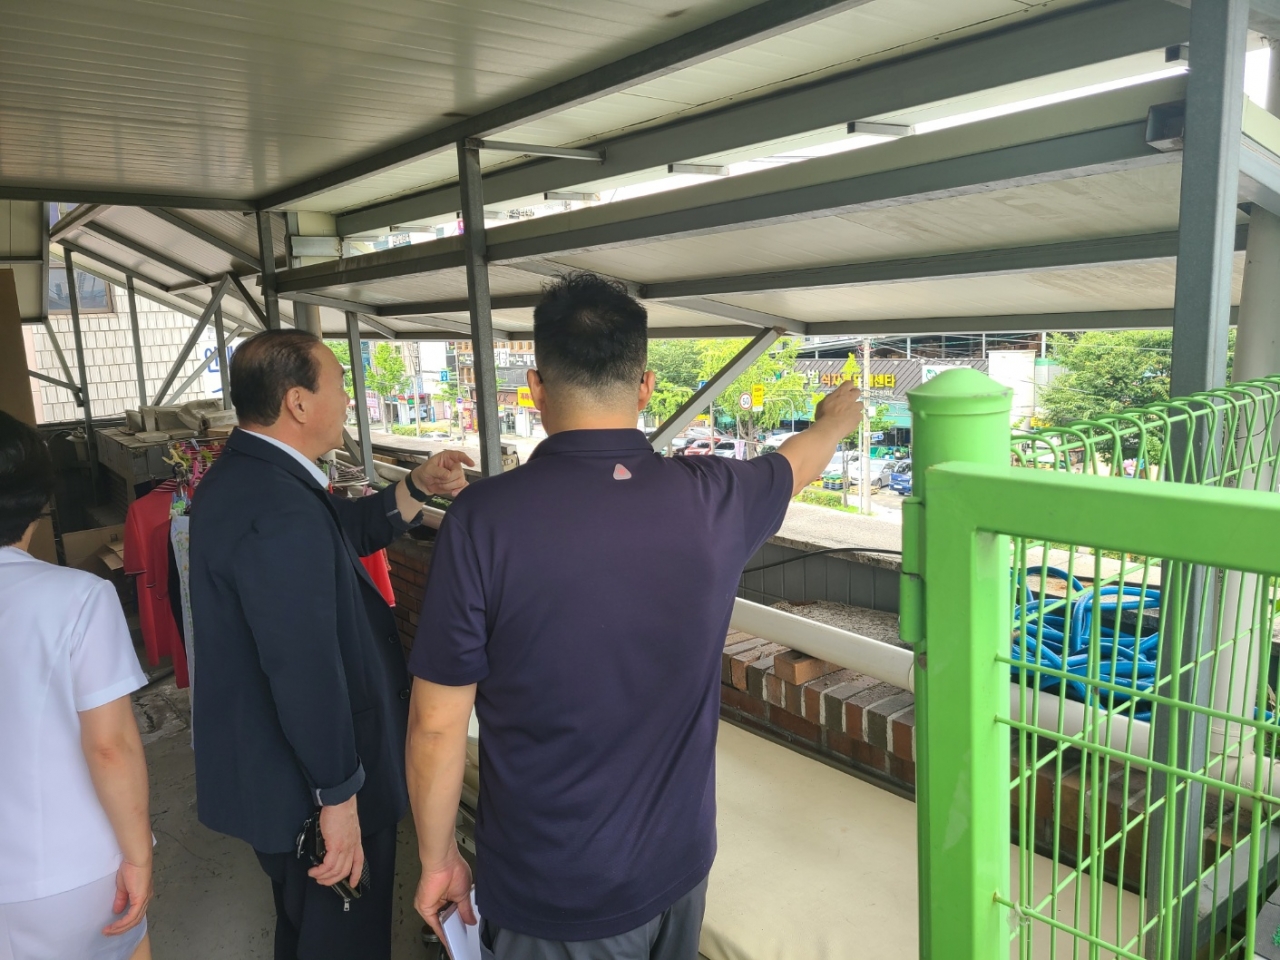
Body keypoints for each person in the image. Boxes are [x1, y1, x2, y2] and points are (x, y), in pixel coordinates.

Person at [404, 273, 862, 959]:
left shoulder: (484, 519)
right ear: (646, 386)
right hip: (679, 866)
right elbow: (798, 463)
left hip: (556, 890)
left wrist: (438, 860)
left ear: (535, 388)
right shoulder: (715, 497)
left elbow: (437, 726)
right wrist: (834, 419)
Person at [188, 330, 473, 960]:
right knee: (343, 940)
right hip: (309, 787)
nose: (349, 401)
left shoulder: (251, 478)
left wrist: (417, 484)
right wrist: (338, 797)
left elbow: (339, 531)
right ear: (297, 402)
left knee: (309, 933)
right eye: (341, 385)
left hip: (271, 771)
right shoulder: (279, 508)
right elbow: (303, 668)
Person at [0, 411, 152, 960]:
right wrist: (139, 855)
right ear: (41, 498)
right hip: (69, 873)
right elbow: (110, 746)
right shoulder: (78, 598)